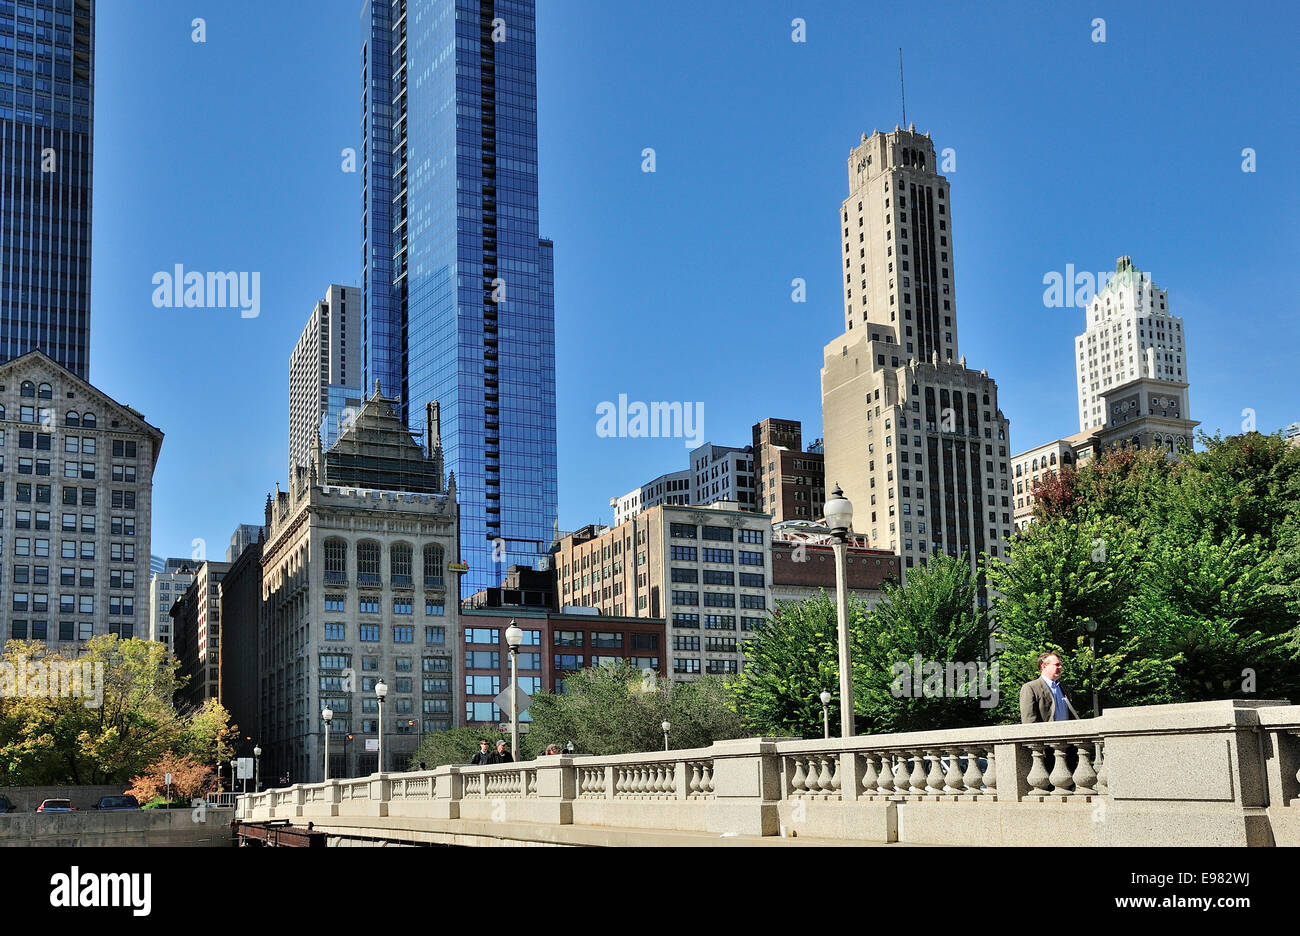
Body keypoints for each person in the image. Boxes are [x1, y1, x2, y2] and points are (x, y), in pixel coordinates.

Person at [1020, 652, 1081, 723]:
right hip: (1046, 733)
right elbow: (1029, 721)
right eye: (1057, 665)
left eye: (1061, 665)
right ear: (1044, 667)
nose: (1061, 667)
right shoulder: (1031, 688)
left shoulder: (1063, 688)